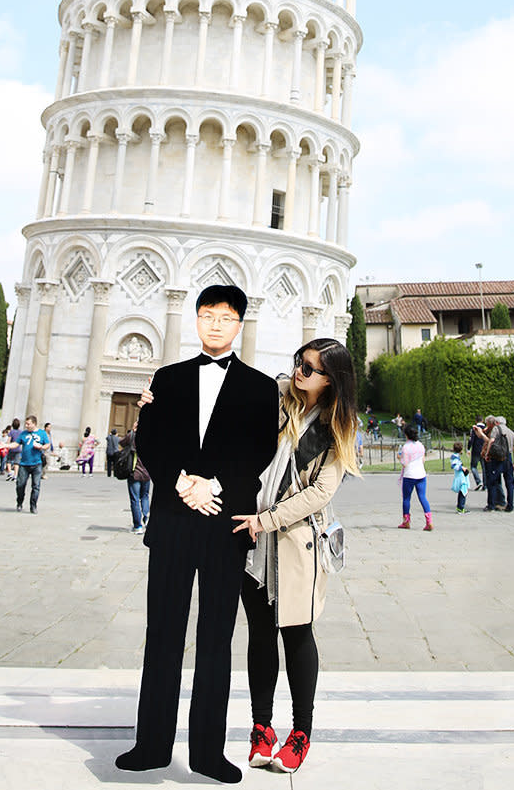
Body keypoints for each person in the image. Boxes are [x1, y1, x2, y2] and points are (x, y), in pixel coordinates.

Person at [115, 283, 278, 783]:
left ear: (239, 324)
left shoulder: (259, 386)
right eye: (206, 315)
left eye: (225, 317)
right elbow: (150, 439)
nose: (214, 324)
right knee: (161, 631)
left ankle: (208, 751)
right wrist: (182, 481)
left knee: (215, 637)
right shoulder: (166, 378)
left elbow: (259, 451)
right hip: (171, 517)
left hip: (224, 523)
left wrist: (217, 485)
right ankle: (151, 744)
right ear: (196, 319)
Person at [233, 337, 359, 773]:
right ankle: (261, 727)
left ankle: (300, 732)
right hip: (254, 545)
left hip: (294, 542)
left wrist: (264, 520)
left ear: (332, 379)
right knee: (259, 636)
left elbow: (321, 492)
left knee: (297, 634)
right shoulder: (277, 401)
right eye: (299, 364)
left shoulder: (338, 427)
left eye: (311, 368)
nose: (300, 372)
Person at [398, 421, 432, 529]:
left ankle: (406, 521)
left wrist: (399, 457)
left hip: (409, 475)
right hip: (421, 473)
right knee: (422, 497)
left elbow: (404, 463)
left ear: (406, 435)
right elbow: (423, 460)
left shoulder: (406, 447)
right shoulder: (420, 445)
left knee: (406, 498)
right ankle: (429, 521)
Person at [13, 415, 50, 513]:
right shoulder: (23, 433)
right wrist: (6, 445)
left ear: (34, 424)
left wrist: (41, 447)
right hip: (24, 464)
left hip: (37, 463)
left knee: (36, 486)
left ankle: (33, 506)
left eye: (28, 424)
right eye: (26, 424)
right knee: (20, 485)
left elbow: (47, 444)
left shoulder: (42, 433)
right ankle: (19, 502)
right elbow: (16, 444)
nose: (26, 426)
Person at [121, 422, 151, 534]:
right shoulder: (150, 436)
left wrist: (133, 431)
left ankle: (138, 526)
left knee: (135, 499)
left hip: (135, 473)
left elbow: (122, 442)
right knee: (145, 496)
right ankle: (146, 519)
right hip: (147, 473)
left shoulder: (133, 437)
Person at [450, 441, 469, 512]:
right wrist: (462, 468)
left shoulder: (456, 456)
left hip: (461, 476)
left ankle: (460, 507)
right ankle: (461, 507)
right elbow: (454, 466)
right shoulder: (455, 457)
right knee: (463, 491)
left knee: (462, 490)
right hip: (460, 476)